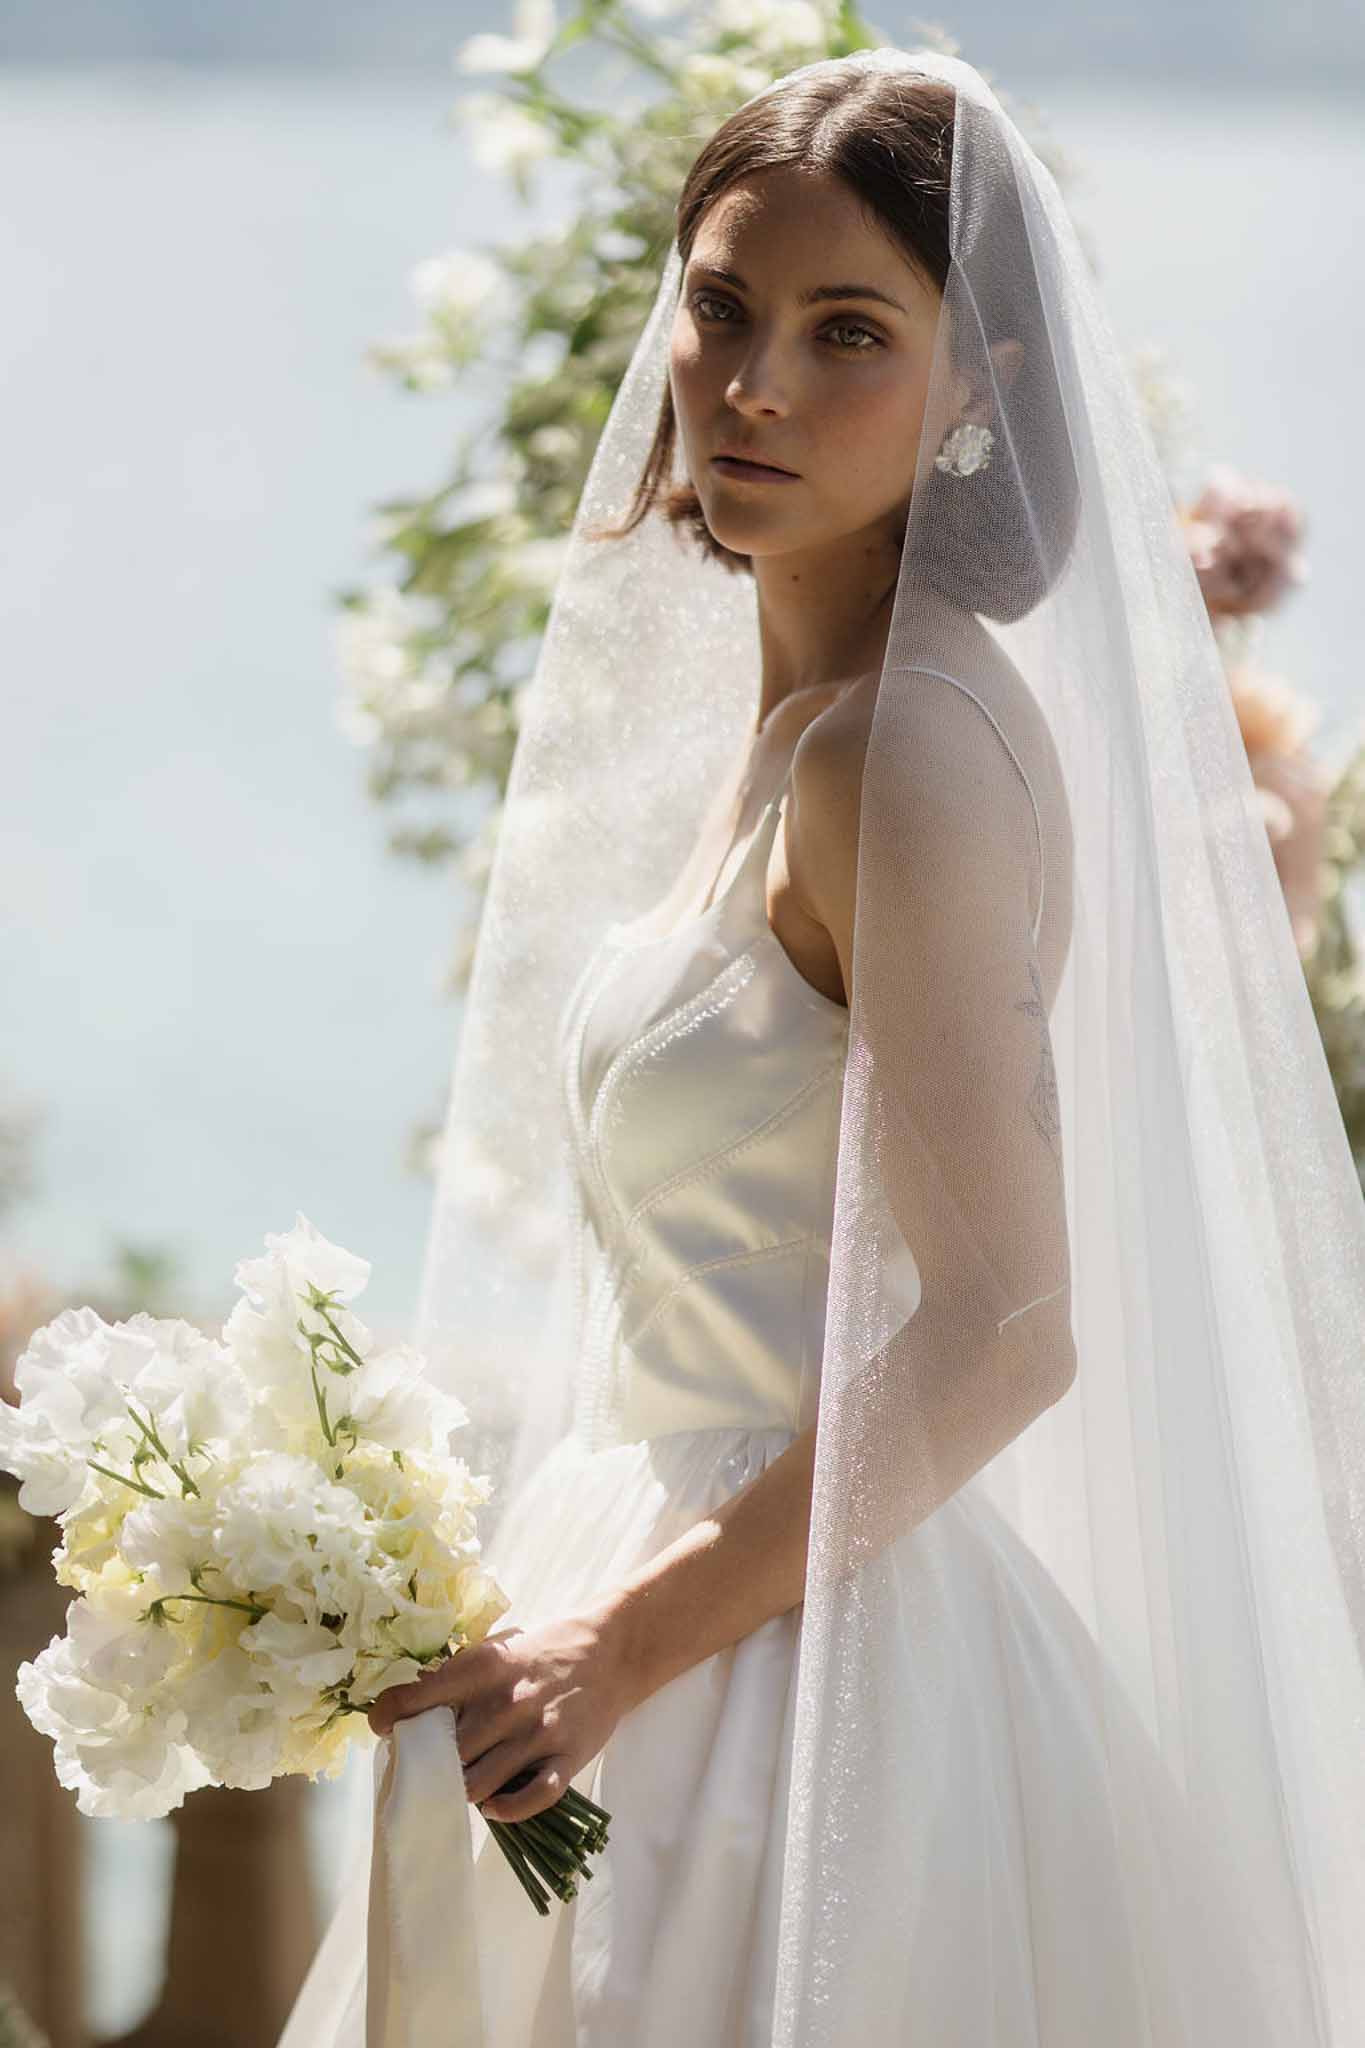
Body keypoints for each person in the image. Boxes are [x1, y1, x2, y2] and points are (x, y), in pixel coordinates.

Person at [280, 48, 1365, 2048]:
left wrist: (617, 1641)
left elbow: (1003, 1323)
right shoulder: (799, 730)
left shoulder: (898, 752)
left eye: (845, 331)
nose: (753, 380)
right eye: (720, 305)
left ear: (978, 391)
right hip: (649, 1613)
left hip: (798, 1702)